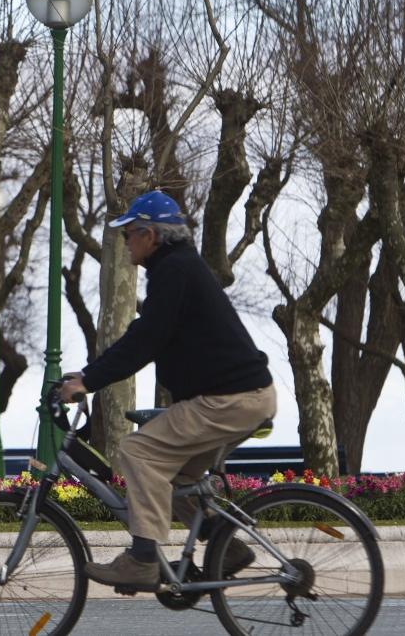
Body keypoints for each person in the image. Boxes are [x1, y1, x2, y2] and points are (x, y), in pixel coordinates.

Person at [60, 191, 276, 590]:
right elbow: (143, 338)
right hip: (241, 397)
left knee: (138, 450)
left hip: (230, 400)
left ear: (150, 235)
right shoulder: (176, 270)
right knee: (174, 478)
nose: (125, 242)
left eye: (129, 234)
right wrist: (88, 374)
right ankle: (227, 548)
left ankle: (143, 561)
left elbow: (145, 342)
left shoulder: (174, 272)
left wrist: (88, 381)